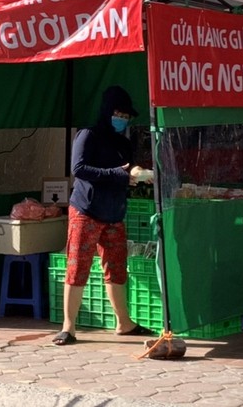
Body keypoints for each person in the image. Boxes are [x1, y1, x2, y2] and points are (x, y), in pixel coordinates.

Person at [52, 85, 153, 346]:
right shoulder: (88, 134)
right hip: (86, 210)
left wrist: (133, 176)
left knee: (117, 267)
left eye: (127, 116)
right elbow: (79, 169)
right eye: (119, 113)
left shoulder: (124, 143)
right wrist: (116, 174)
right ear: (107, 111)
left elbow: (124, 171)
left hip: (114, 214)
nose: (123, 119)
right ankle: (68, 327)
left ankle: (124, 323)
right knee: (78, 265)